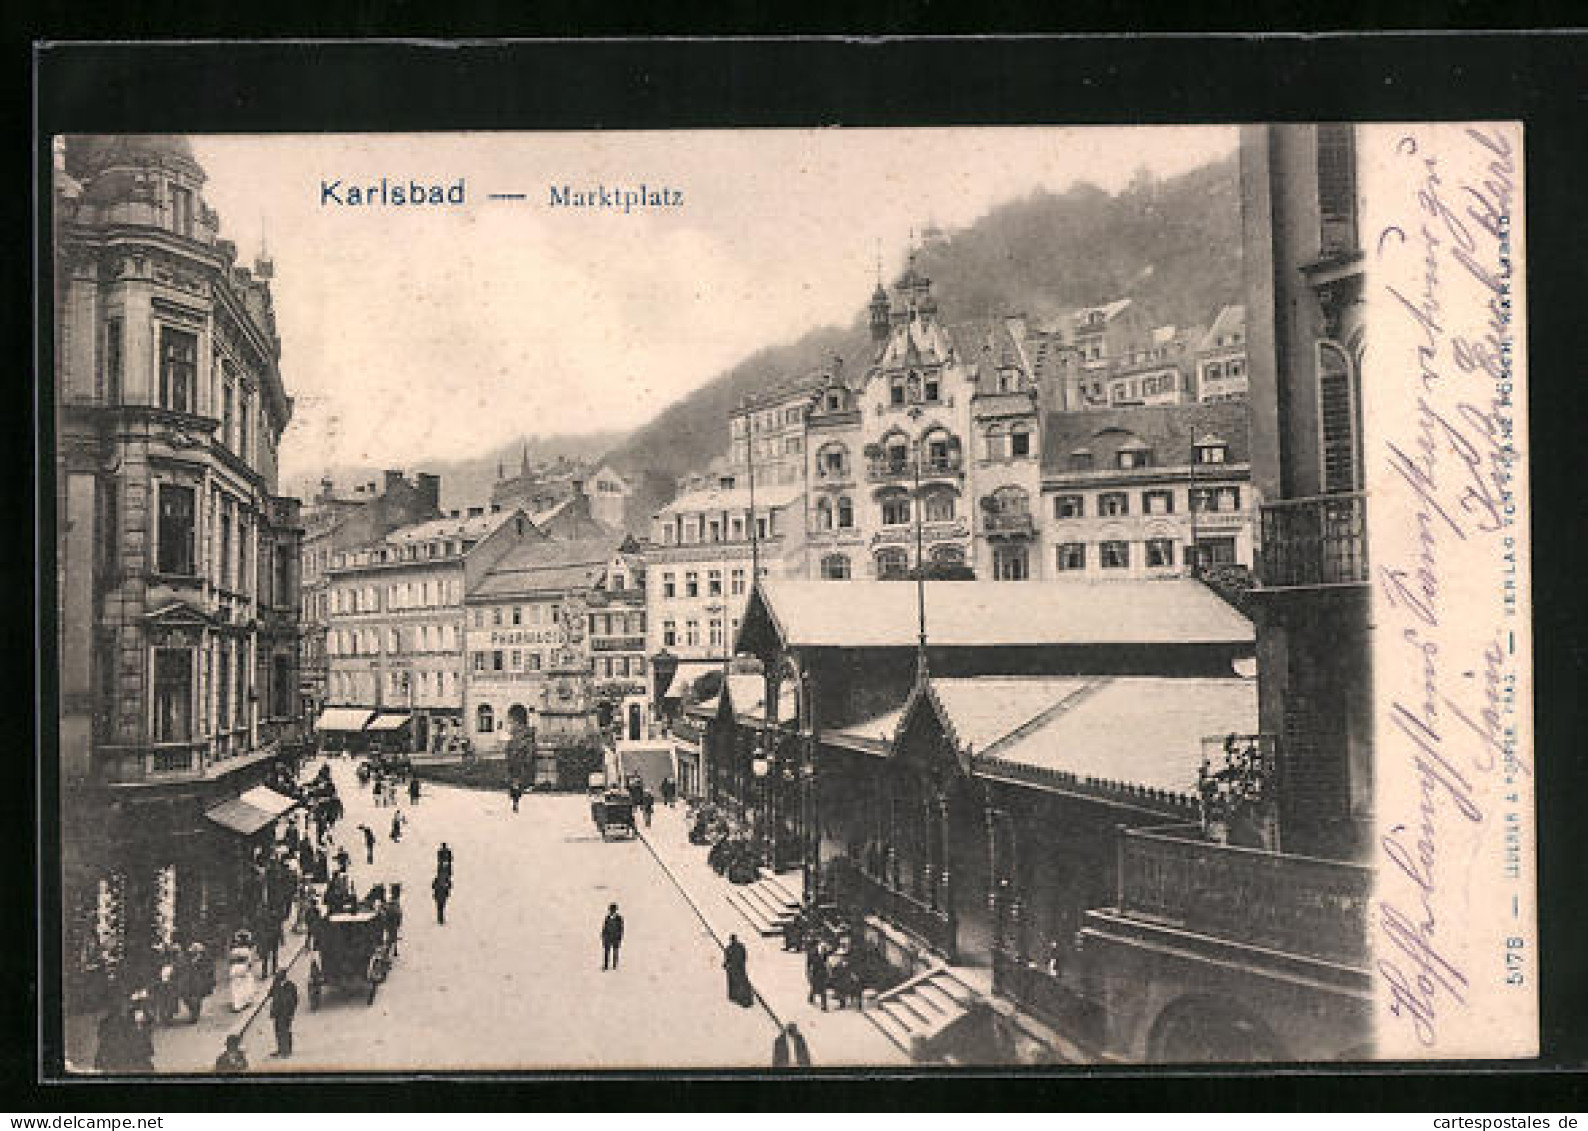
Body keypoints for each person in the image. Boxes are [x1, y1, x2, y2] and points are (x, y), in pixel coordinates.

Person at [179, 941, 212, 1023]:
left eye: (196, 950)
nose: (194, 952)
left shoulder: (205, 958)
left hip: (200, 981)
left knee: (196, 998)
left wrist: (205, 976)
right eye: (193, 951)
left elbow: (209, 969)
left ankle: (195, 1014)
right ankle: (193, 1012)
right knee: (186, 997)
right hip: (188, 981)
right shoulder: (187, 958)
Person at [268, 972, 299, 1058]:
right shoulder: (276, 985)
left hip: (286, 1012)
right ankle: (280, 1049)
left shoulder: (290, 986)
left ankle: (286, 1051)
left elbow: (294, 1000)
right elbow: (270, 994)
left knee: (285, 1031)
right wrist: (274, 984)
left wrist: (291, 1013)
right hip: (277, 1012)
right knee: (278, 1031)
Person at [227, 930, 257, 1013]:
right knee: (245, 984)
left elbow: (230, 959)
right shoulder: (247, 950)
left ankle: (236, 1004)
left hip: (235, 968)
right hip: (243, 967)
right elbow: (250, 961)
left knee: (235, 986)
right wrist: (248, 966)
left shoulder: (234, 950)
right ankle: (245, 1001)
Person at [723, 933, 754, 1008]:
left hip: (733, 968)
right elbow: (744, 956)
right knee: (743, 982)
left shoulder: (728, 948)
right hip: (740, 967)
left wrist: (726, 965)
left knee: (735, 982)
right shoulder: (741, 946)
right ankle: (746, 999)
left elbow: (728, 959)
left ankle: (737, 997)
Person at [805, 942, 830, 1011]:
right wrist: (808, 973)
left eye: (824, 949)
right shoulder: (812, 953)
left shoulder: (825, 952)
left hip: (823, 972)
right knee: (815, 986)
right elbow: (808, 964)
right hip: (815, 972)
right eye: (822, 949)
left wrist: (828, 970)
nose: (823, 950)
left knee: (823, 989)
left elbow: (826, 961)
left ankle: (823, 1005)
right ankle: (811, 997)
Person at [601, 903, 624, 970]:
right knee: (606, 952)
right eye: (611, 910)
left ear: (616, 910)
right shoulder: (607, 918)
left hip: (615, 937)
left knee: (615, 952)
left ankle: (614, 965)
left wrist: (619, 937)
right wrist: (603, 936)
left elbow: (621, 929)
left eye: (613, 910)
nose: (612, 911)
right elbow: (604, 927)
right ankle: (606, 966)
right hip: (608, 937)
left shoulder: (619, 918)